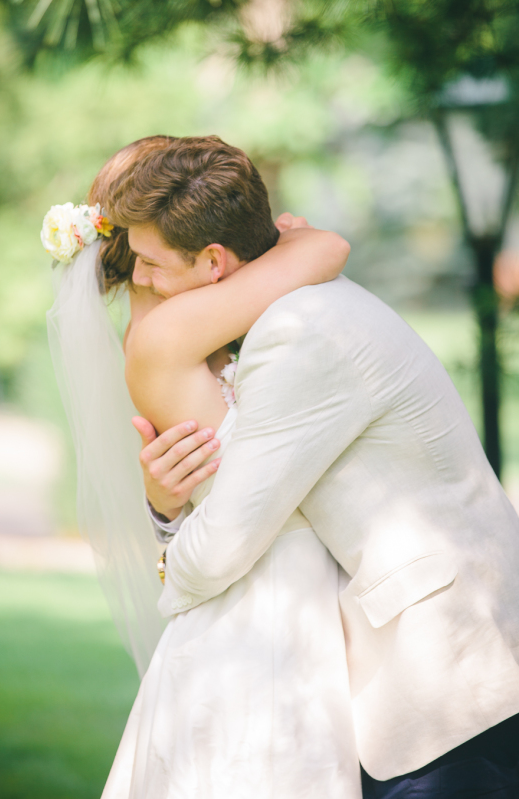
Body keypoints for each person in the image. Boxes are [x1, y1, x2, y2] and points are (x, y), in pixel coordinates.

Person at [114, 136, 519, 798]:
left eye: (152, 264)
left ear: (213, 261)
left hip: (455, 677)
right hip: (423, 672)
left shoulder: (299, 330)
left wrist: (166, 536)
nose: (141, 281)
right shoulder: (292, 307)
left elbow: (222, 547)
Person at [45, 136, 362, 799]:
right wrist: (280, 238)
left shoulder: (191, 328)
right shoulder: (166, 336)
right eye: (150, 258)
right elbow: (327, 248)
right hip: (263, 612)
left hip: (271, 595)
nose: (149, 274)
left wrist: (162, 511)